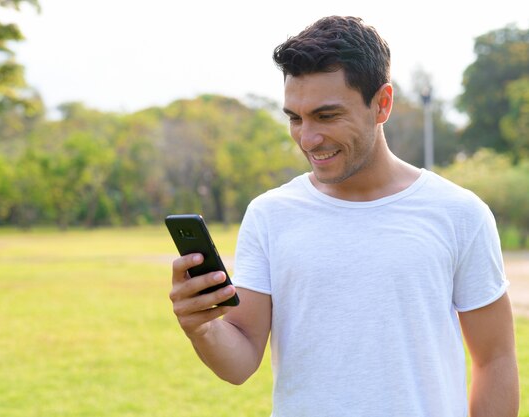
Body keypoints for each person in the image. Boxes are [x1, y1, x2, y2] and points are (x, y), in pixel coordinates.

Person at [169, 15, 519, 416]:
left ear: (382, 104)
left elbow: (495, 361)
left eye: (327, 116)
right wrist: (201, 326)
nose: (307, 138)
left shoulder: (459, 213)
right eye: (295, 118)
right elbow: (240, 360)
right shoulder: (270, 215)